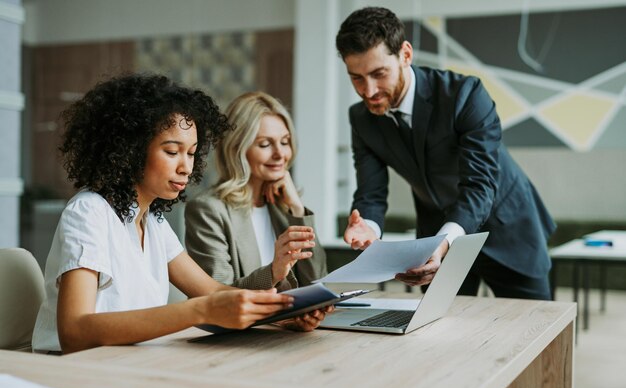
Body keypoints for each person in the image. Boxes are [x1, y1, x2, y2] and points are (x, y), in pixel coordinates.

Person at [32, 74, 329, 355]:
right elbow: (73, 332)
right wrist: (198, 310)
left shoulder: (154, 221)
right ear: (130, 150)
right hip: (77, 371)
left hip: (130, 364)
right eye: (172, 152)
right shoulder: (89, 212)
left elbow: (213, 292)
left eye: (191, 153)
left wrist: (280, 314)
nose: (186, 167)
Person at [335, 7, 556, 300]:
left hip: (506, 228)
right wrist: (368, 226)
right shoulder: (362, 119)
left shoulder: (465, 95)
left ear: (405, 54)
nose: (369, 90)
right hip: (436, 232)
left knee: (536, 329)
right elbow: (371, 192)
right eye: (357, 78)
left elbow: (479, 186)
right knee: (441, 336)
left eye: (379, 74)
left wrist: (443, 243)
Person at [185, 91, 327, 291]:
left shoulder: (283, 208)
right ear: (238, 149)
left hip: (290, 322)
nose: (280, 154)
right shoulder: (208, 210)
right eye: (265, 144)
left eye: (285, 142)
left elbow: (317, 282)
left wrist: (297, 209)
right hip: (249, 323)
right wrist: (273, 272)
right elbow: (218, 296)